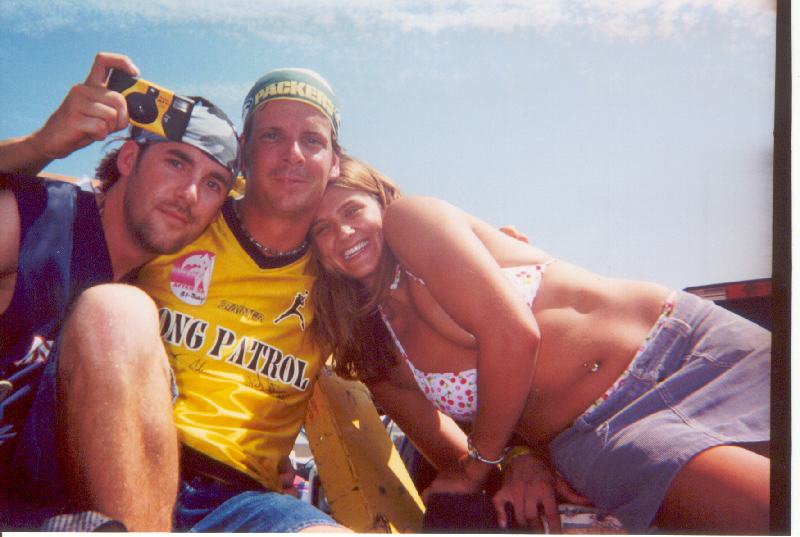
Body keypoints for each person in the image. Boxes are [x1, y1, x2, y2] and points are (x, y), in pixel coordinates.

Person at [307, 155, 771, 534]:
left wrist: (483, 460)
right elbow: (456, 456)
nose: (343, 233)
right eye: (321, 229)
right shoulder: (377, 354)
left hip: (686, 342)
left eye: (352, 211)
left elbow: (512, 334)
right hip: (609, 437)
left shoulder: (414, 221)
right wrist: (517, 457)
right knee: (767, 511)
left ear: (380, 202)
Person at [0, 52, 241, 531]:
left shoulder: (167, 285)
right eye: (176, 162)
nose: (190, 194)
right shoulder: (40, 216)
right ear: (129, 158)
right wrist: (39, 145)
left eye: (213, 183)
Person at [133, 67, 349, 532]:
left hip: (238, 500)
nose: (292, 154)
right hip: (126, 454)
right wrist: (45, 144)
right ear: (244, 150)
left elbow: (405, 370)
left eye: (312, 140)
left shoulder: (341, 277)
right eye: (273, 136)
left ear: (334, 163)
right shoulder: (182, 216)